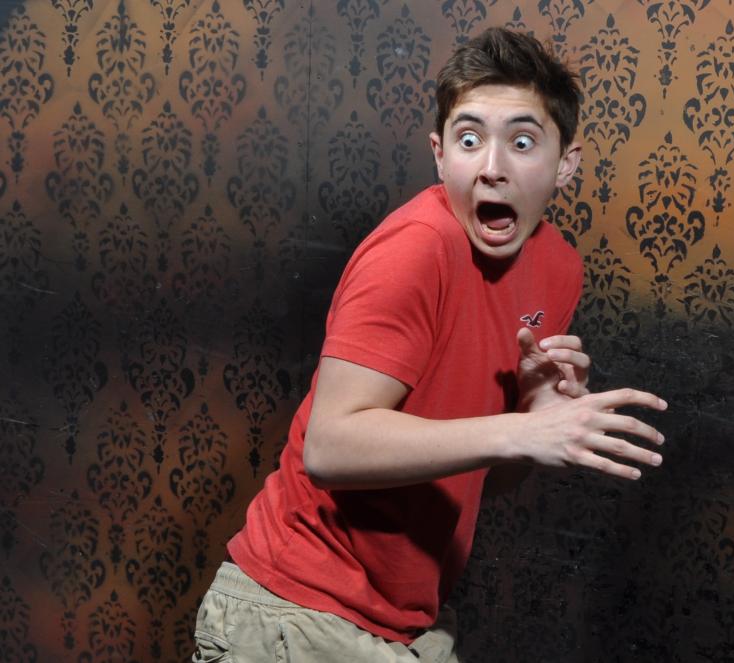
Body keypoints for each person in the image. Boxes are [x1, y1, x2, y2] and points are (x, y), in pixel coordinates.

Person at [193, 27, 667, 663]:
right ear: (441, 156)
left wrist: (536, 414)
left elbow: (487, 472)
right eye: (470, 140)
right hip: (291, 615)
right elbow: (330, 448)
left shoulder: (558, 269)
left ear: (567, 162)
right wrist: (518, 429)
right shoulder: (416, 248)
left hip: (407, 624)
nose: (492, 167)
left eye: (522, 142)